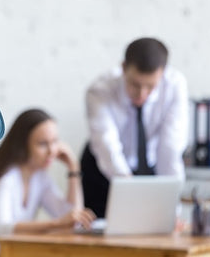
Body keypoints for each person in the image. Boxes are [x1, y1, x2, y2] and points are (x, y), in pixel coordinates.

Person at [0, 109, 96, 257]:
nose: (52, 151)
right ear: (23, 145)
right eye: (43, 144)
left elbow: (72, 218)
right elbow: (1, 229)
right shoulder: (5, 177)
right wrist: (58, 223)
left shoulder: (40, 177)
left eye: (55, 141)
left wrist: (74, 169)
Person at [80, 37, 189, 218]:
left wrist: (173, 208)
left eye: (150, 86)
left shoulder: (175, 86)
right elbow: (107, 145)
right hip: (104, 168)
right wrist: (130, 192)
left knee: (158, 224)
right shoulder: (100, 90)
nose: (142, 94)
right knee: (101, 229)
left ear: (162, 73)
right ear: (123, 68)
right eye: (135, 85)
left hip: (150, 164)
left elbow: (170, 149)